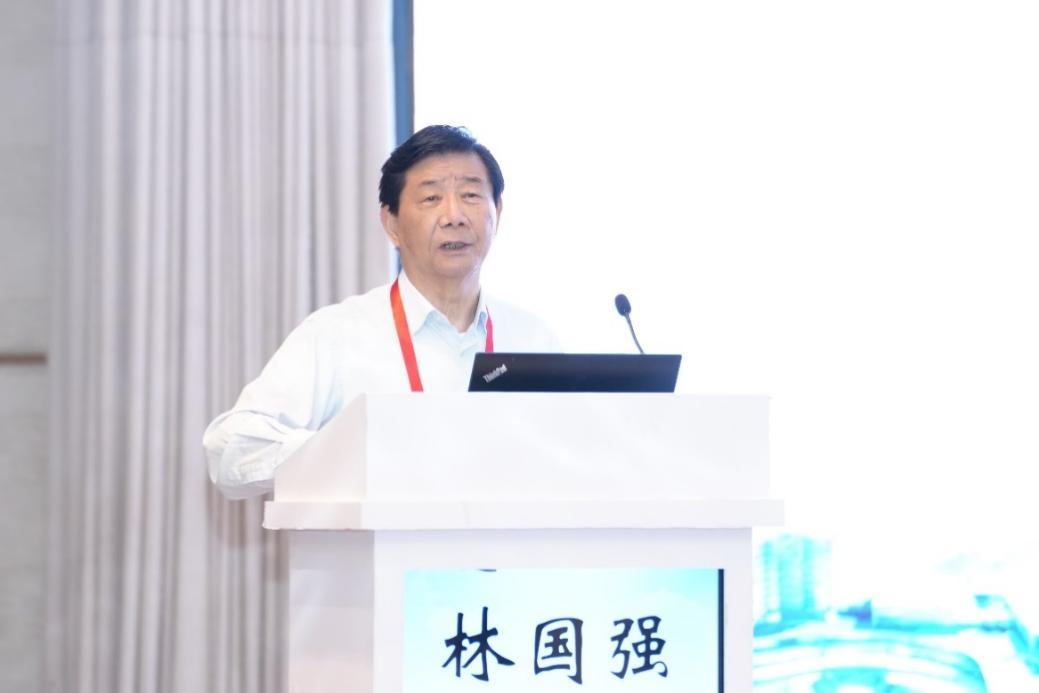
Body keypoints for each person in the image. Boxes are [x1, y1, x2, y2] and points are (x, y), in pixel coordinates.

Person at [204, 125, 559, 499]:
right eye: (431, 198)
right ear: (391, 224)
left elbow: (570, 457)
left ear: (497, 211)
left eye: (470, 195)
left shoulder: (534, 339)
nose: (454, 215)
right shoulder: (335, 334)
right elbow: (229, 450)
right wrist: (358, 449)